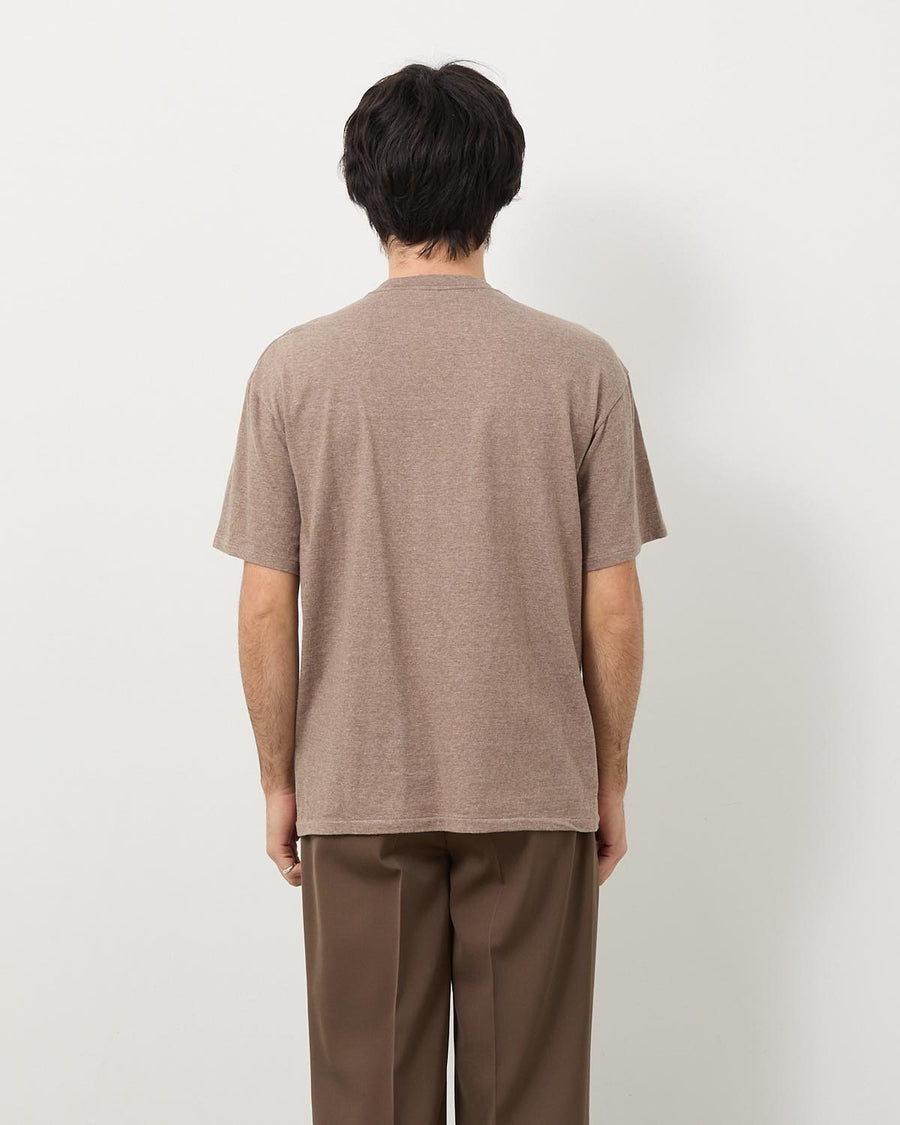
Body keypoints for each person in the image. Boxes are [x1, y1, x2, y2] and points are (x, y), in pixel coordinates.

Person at [213, 59, 667, 1125]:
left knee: (367, 1104)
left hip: (357, 786)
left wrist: (280, 780)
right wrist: (607, 778)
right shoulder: (582, 370)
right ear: (500, 184)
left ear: (365, 186)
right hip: (533, 786)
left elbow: (267, 605)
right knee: (533, 1105)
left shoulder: (294, 372)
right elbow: (611, 605)